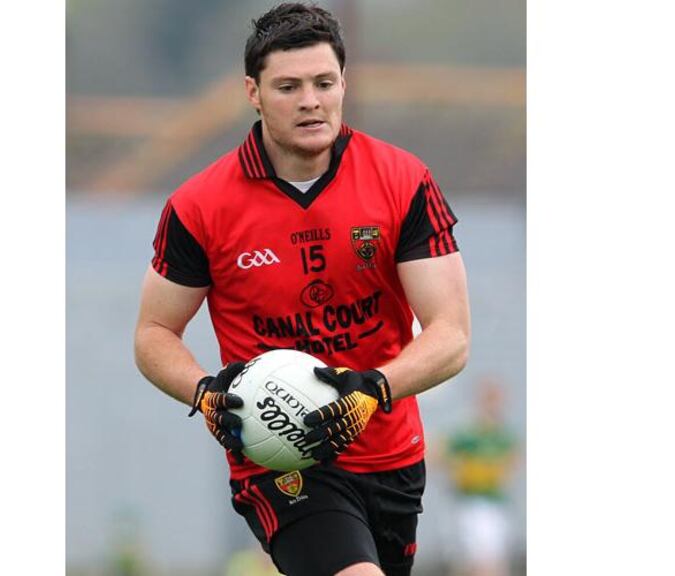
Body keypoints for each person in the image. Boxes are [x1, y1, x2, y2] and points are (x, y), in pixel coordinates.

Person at [134, 4, 471, 575]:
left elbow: (452, 335)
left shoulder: (403, 181)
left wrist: (373, 391)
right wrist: (204, 394)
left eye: (323, 82)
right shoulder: (200, 206)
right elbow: (153, 332)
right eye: (288, 86)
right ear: (253, 92)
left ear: (344, 83)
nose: (310, 100)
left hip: (390, 452)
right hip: (279, 457)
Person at [441, 379, 518, 576]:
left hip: (495, 502)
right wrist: (459, 475)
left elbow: (513, 459)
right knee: (482, 560)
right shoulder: (470, 433)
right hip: (473, 503)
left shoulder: (502, 434)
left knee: (492, 558)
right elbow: (443, 454)